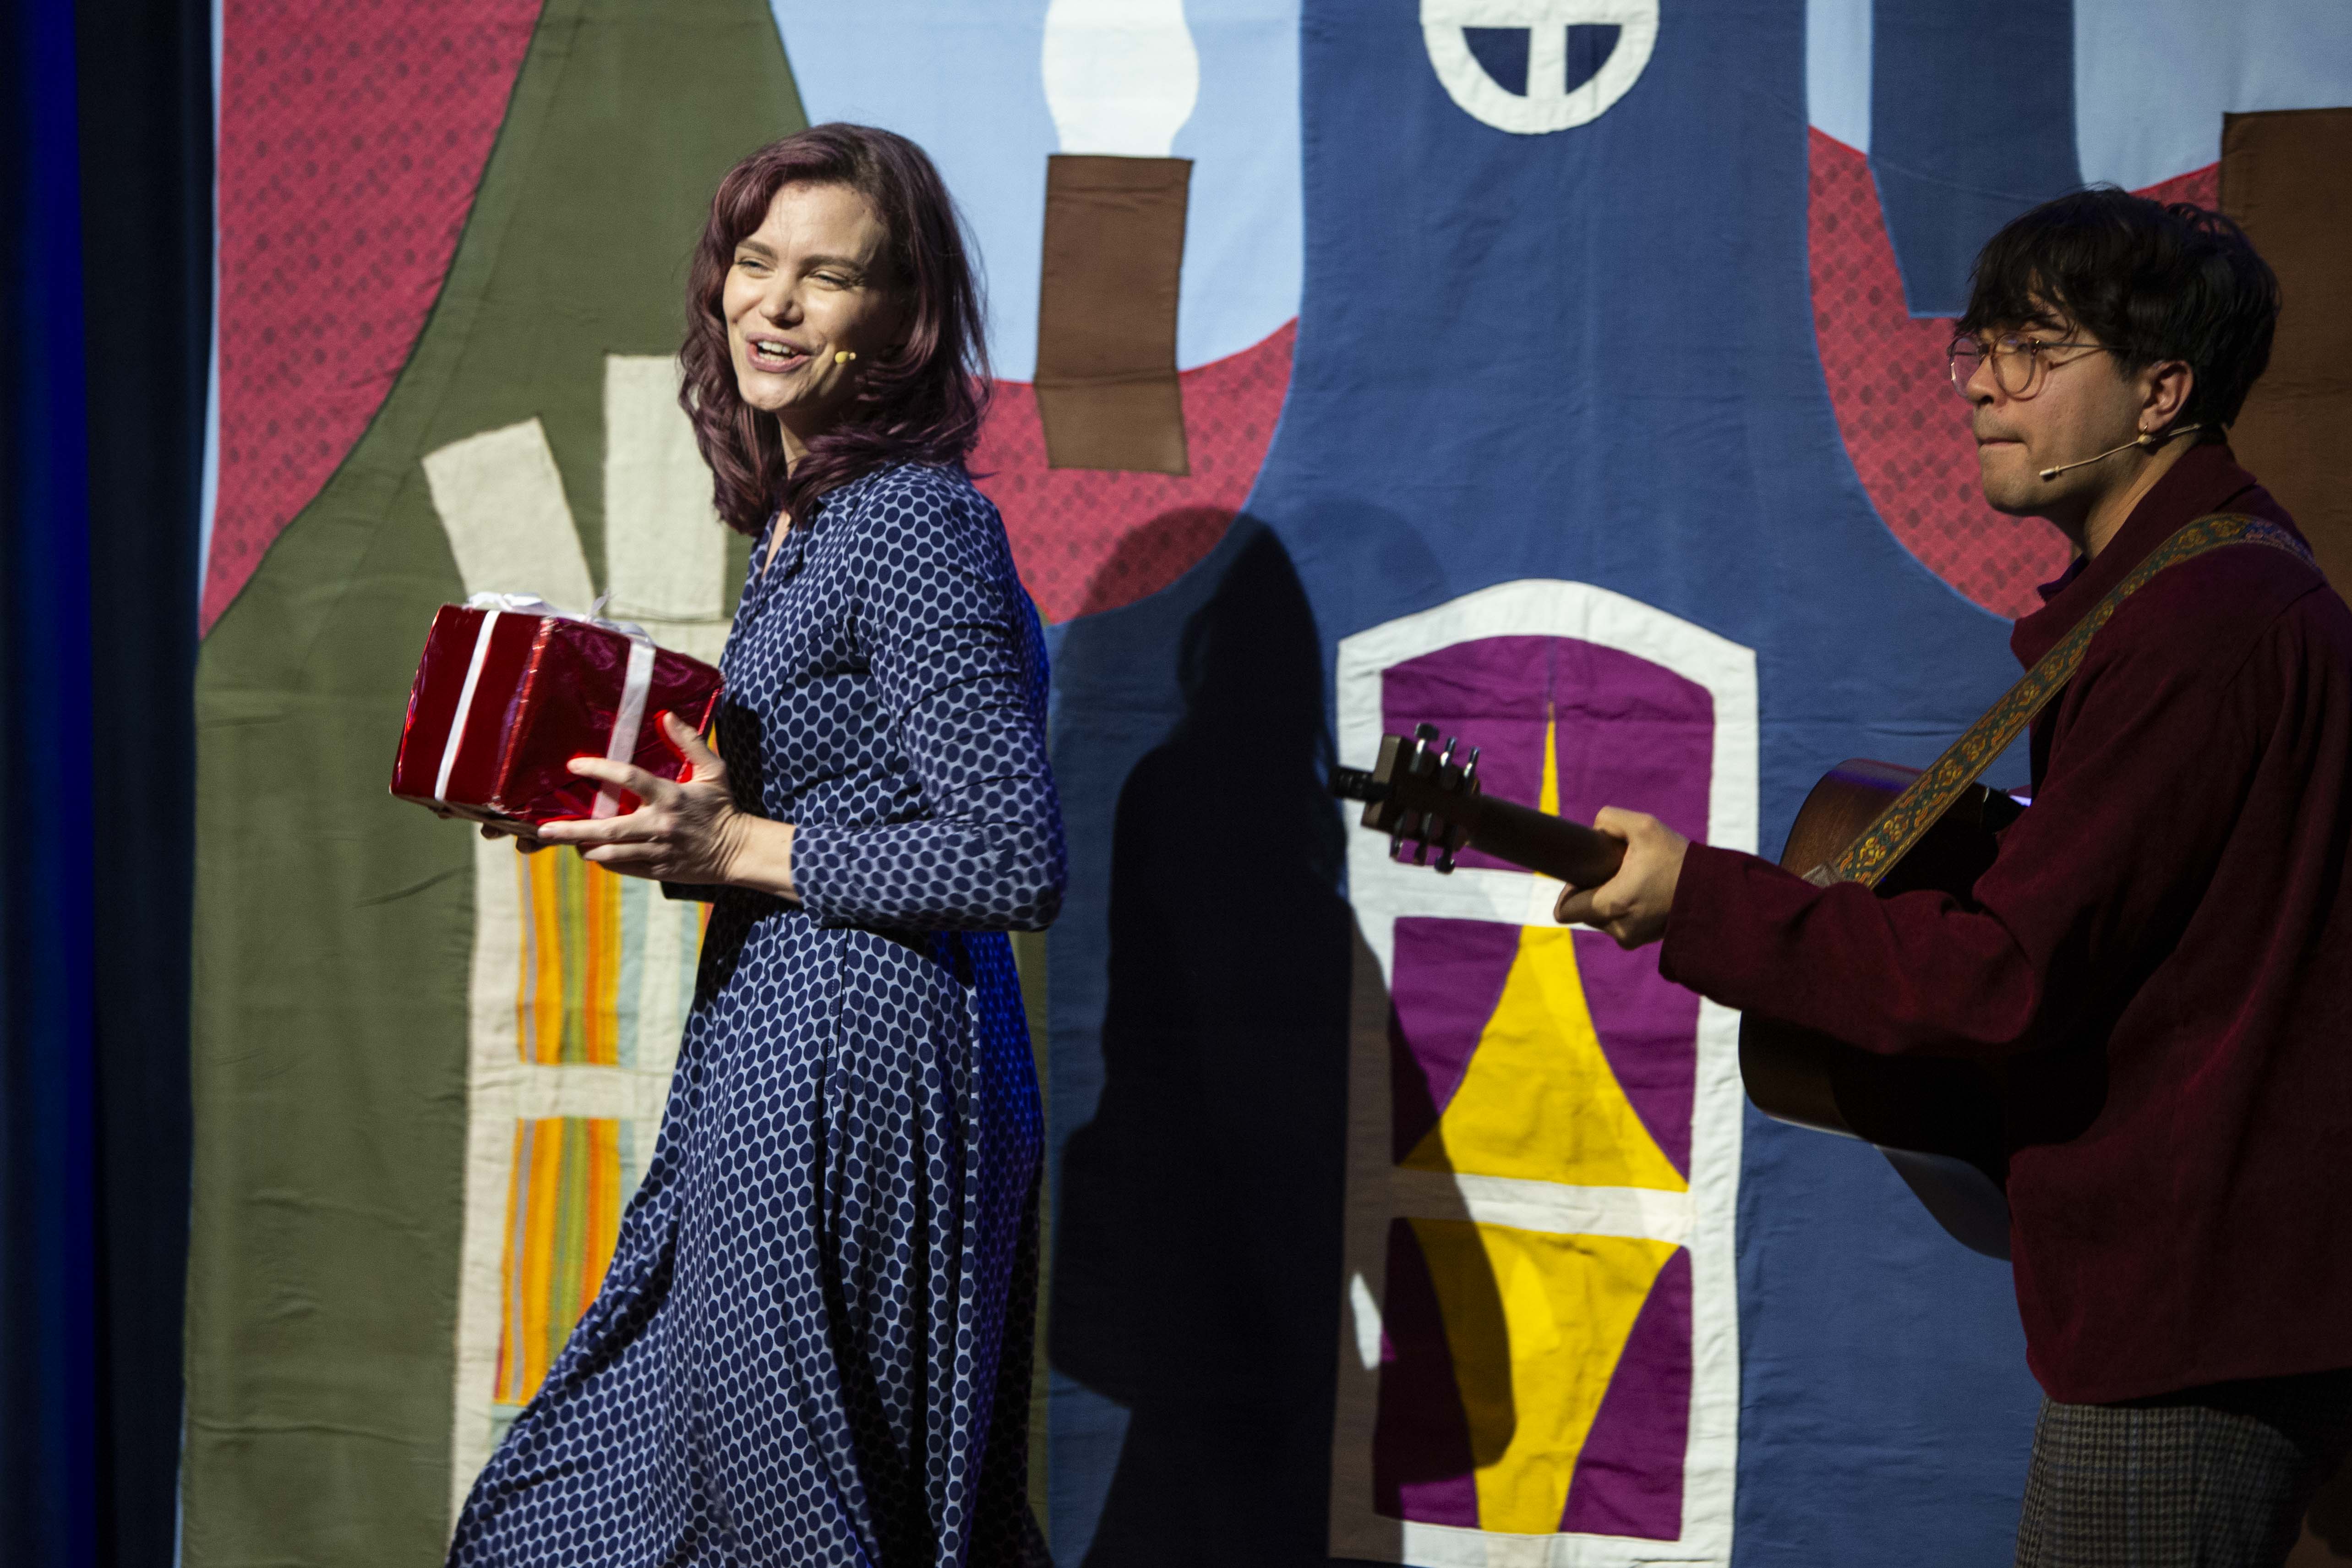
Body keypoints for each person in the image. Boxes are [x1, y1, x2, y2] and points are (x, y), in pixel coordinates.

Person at [1556, 188, 2352, 1566]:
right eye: (1978, 348)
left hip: (2193, 1325)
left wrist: (1702, 903)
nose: (1983, 386)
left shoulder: (2200, 626)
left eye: (2035, 354)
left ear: (2163, 389)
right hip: (2217, 1301)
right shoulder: (2204, 596)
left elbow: (2005, 976)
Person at [447, 125, 1064, 1566]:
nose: (773, 305)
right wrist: (617, 802)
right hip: (778, 1052)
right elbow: (824, 803)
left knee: (775, 1520)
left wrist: (734, 851)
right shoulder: (804, 525)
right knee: (626, 1505)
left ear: (903, 324)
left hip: (860, 1070)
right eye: (754, 261)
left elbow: (1008, 856)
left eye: (828, 278)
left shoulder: (910, 519)